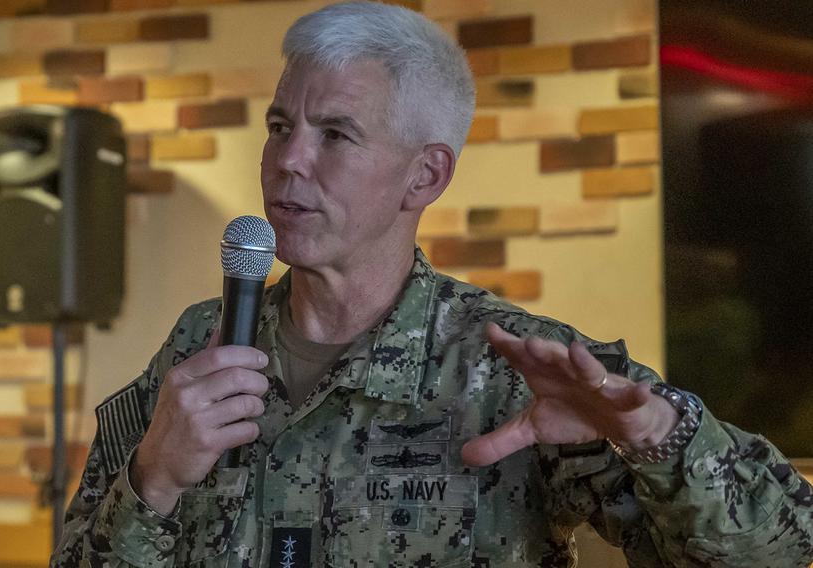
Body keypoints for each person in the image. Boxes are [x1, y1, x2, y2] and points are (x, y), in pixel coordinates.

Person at [52, 2, 813, 567]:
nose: (289, 160)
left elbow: (779, 549)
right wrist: (151, 481)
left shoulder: (517, 365)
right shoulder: (199, 344)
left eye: (335, 134)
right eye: (281, 126)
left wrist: (657, 435)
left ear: (426, 174)